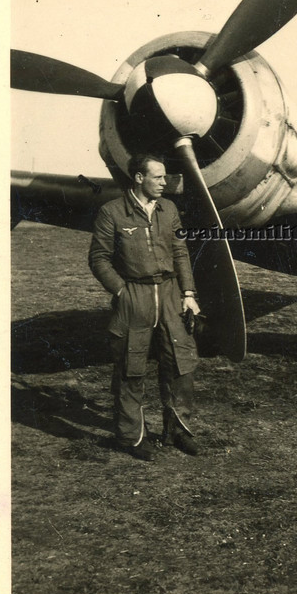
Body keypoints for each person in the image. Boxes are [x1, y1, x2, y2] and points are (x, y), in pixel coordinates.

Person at [89, 153, 201, 461]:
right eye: (159, 177)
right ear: (139, 178)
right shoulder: (112, 212)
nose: (166, 183)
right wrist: (121, 290)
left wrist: (188, 293)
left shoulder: (169, 209)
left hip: (170, 293)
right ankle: (131, 437)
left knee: (180, 362)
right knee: (130, 366)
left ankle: (178, 430)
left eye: (165, 177)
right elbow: (98, 258)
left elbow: (180, 252)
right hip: (134, 295)